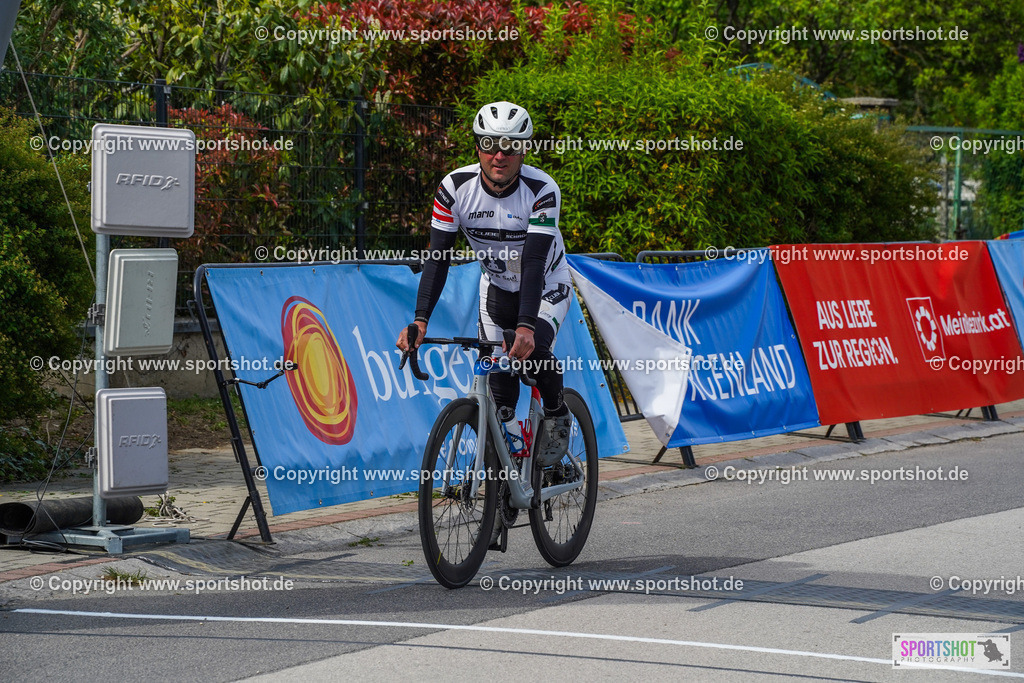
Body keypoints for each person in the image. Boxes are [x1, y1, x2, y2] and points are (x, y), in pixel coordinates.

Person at [396, 100, 572, 468]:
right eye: (490, 144)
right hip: (495, 288)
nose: (499, 155)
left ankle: (557, 416)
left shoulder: (542, 189)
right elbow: (438, 257)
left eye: (510, 146)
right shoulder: (454, 188)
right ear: (477, 146)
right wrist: (420, 321)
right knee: (499, 383)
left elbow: (535, 262)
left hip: (544, 285)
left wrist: (525, 326)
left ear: (524, 150)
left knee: (533, 349)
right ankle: (504, 478)